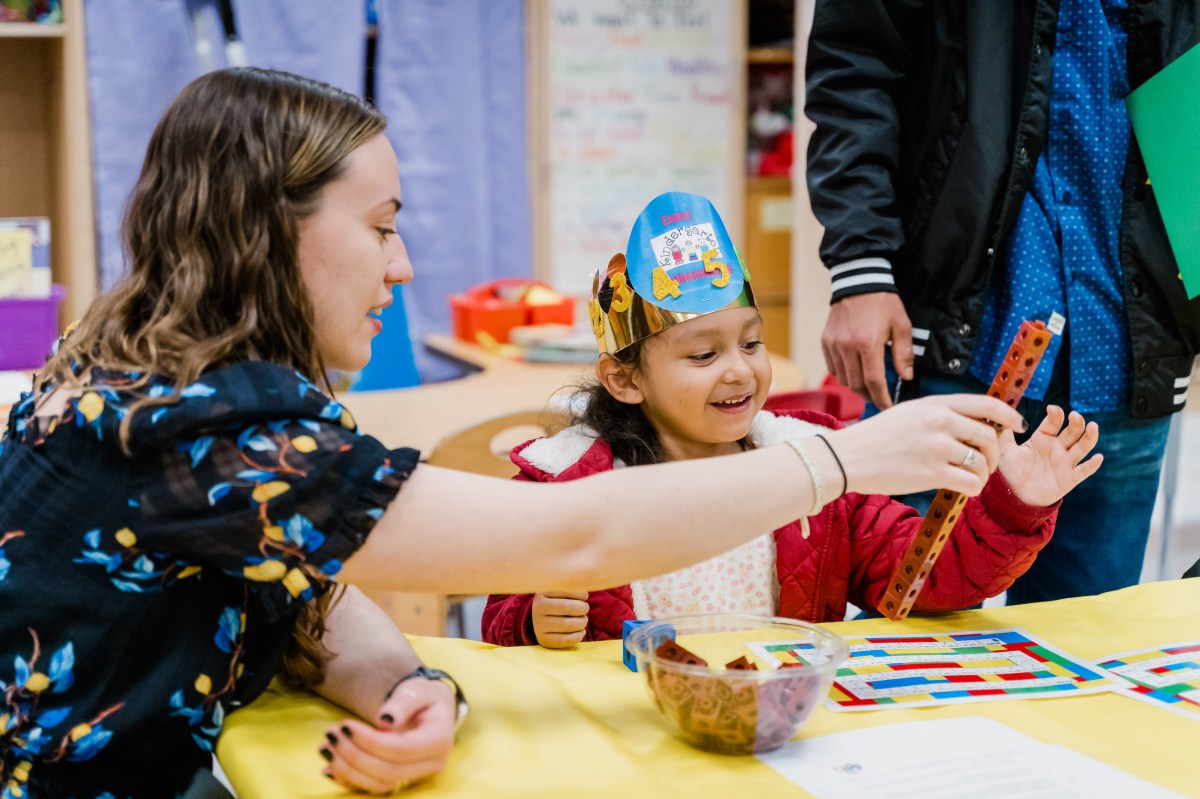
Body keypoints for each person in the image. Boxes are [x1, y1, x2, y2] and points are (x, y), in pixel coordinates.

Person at [0, 68, 1030, 798]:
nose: (401, 267)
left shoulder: (155, 373)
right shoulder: (207, 427)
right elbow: (574, 538)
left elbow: (319, 582)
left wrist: (406, 680)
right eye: (382, 225)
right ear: (271, 228)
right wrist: (842, 459)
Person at [482, 192, 1102, 649]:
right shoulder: (566, 482)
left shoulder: (815, 469)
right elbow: (497, 617)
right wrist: (530, 620)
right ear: (625, 378)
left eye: (751, 345)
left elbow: (921, 582)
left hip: (781, 733)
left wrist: (1012, 504)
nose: (739, 372)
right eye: (703, 354)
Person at [805, 1, 1200, 604]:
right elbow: (857, 64)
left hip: (1126, 345)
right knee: (894, 636)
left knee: (1081, 653)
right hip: (951, 330)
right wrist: (861, 270)